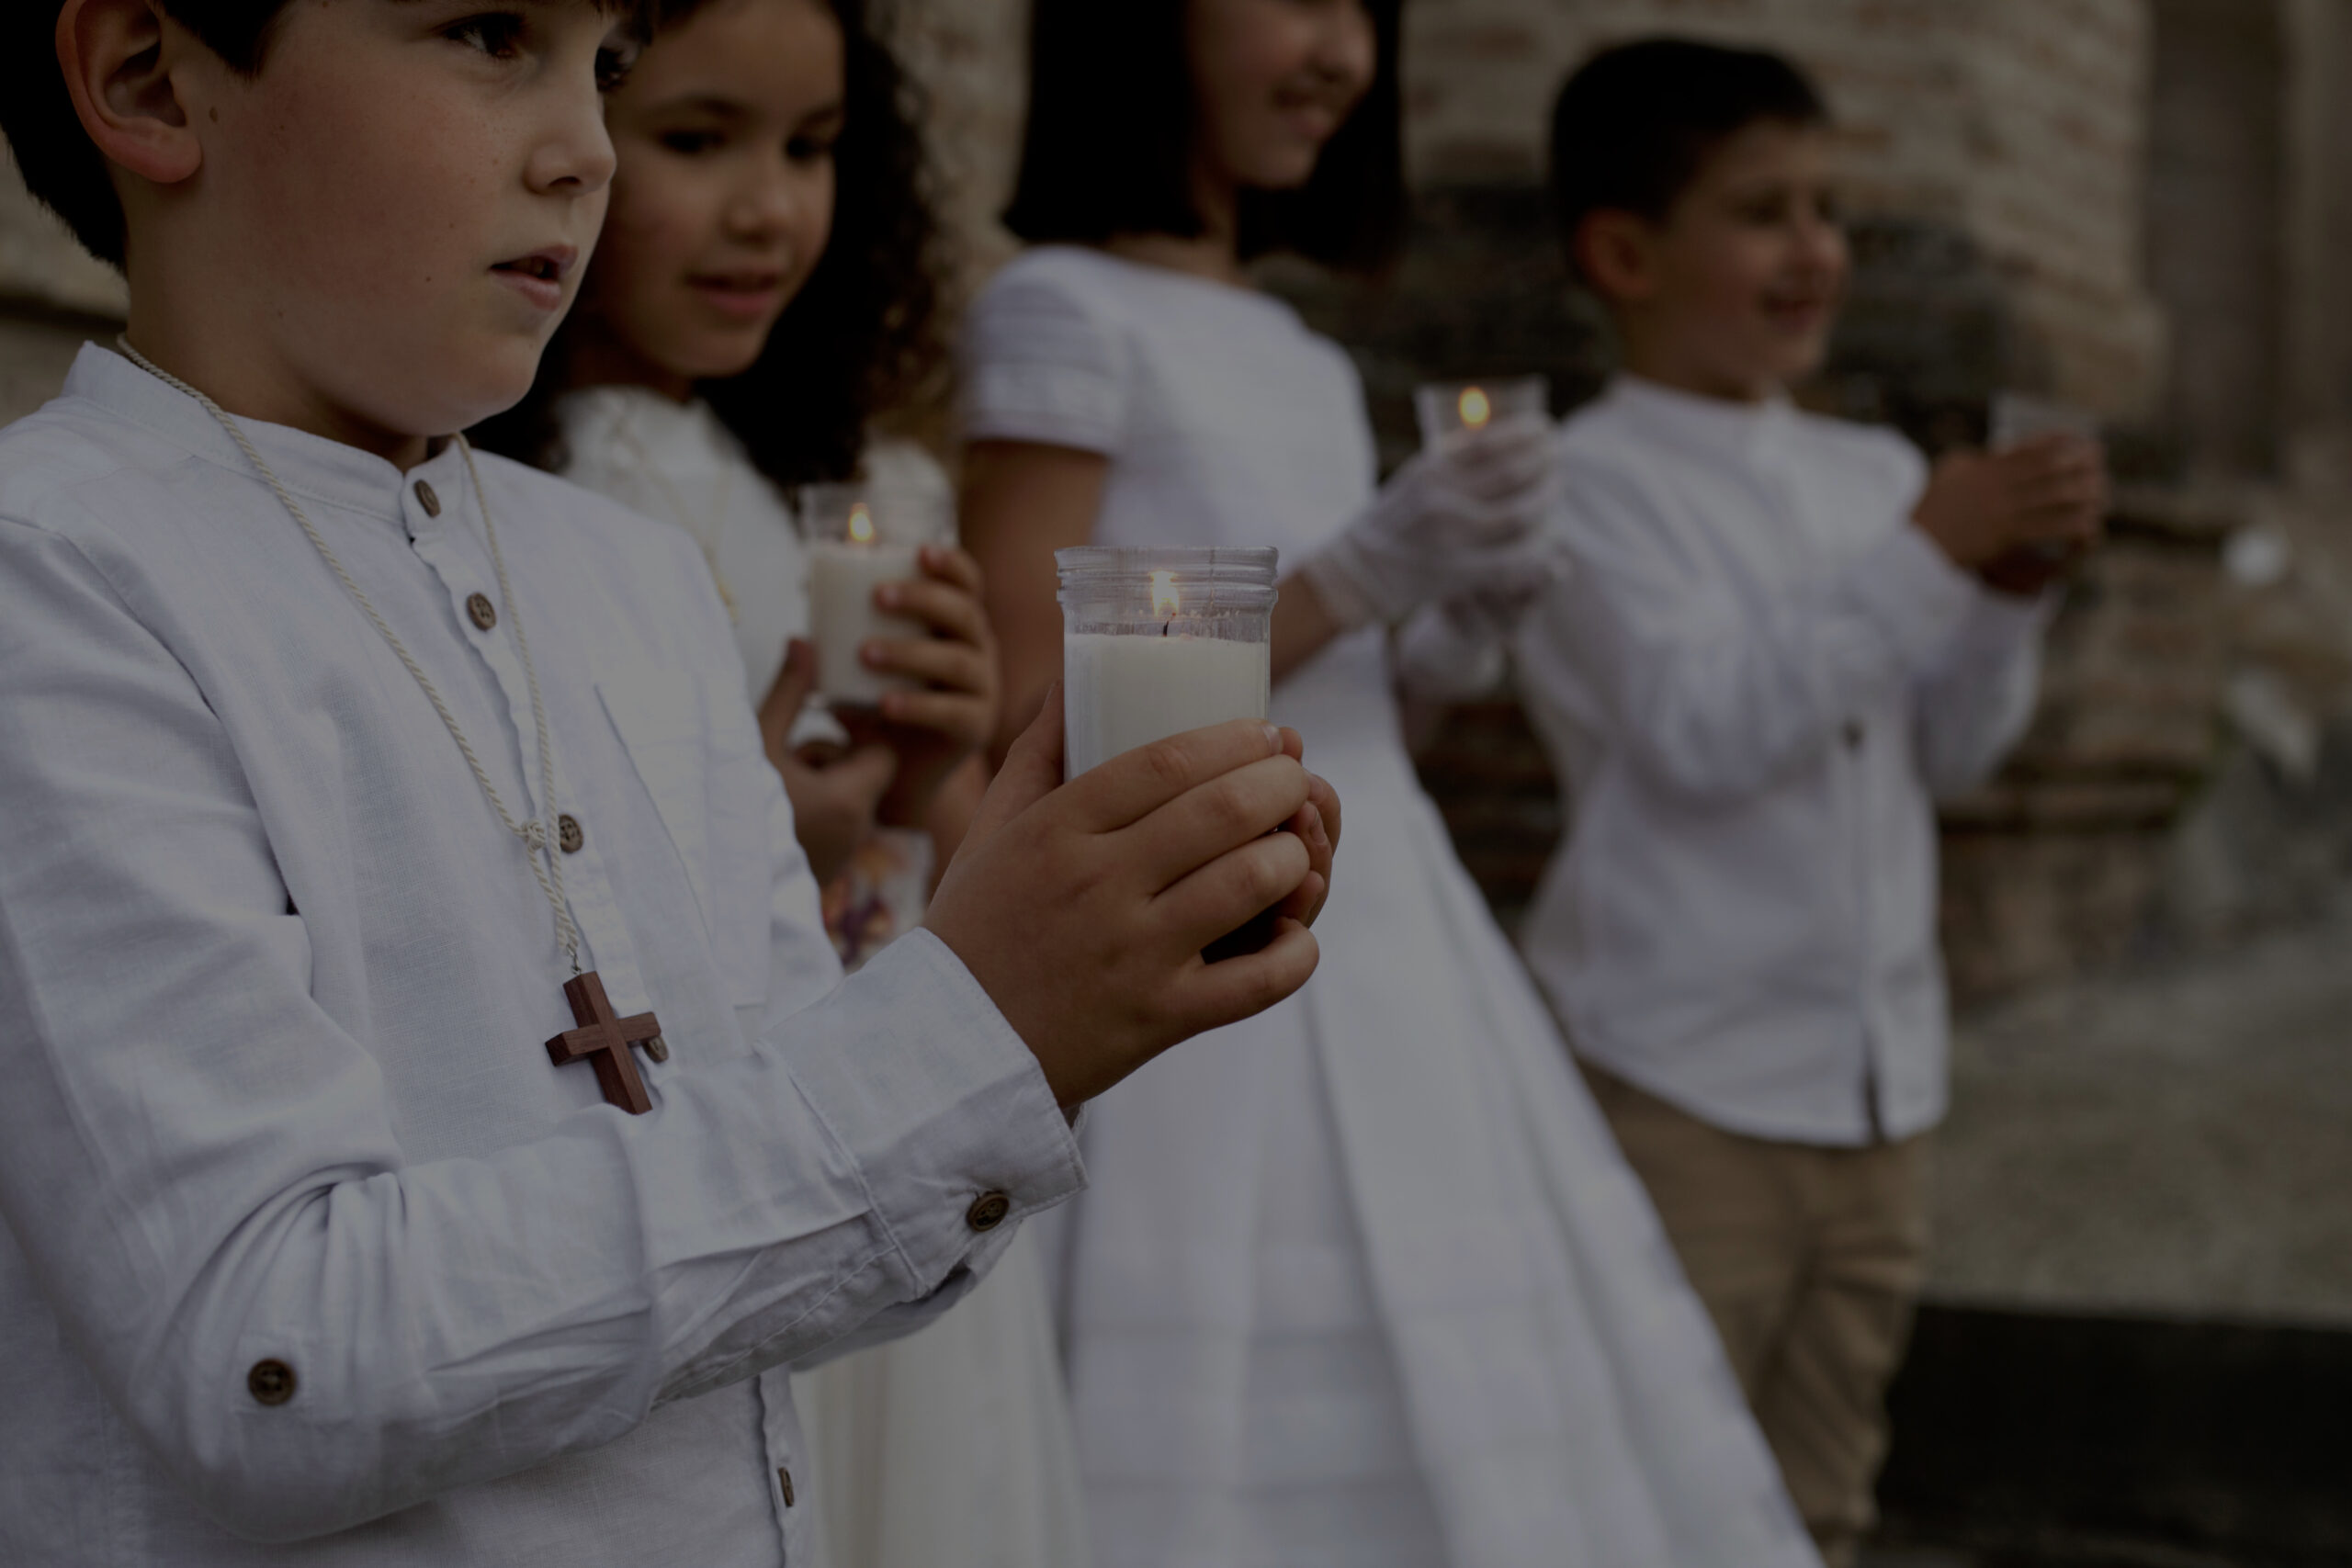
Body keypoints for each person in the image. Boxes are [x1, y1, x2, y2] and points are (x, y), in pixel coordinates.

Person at [0, 3, 1340, 1564]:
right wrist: (971, 1033)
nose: (586, 154)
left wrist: (1041, 1004)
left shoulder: (625, 576)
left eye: (609, 68)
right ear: (151, 81)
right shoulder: (57, 582)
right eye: (491, 34)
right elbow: (270, 1361)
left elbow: (799, 1272)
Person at [959, 4, 1818, 1566]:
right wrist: (1366, 573)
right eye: (1293, 1)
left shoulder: (1298, 348)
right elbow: (1035, 716)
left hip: (1389, 920)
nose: (1341, 54)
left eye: (1363, 11)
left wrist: (1457, 623)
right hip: (1196, 961)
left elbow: (1348, 713)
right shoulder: (1060, 310)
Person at [475, 0, 1091, 1561]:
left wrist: (933, 773)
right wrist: (752, 815)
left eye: (814, 150)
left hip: (893, 1138)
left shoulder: (870, 489)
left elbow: (926, 875)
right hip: (699, 1185)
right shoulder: (512, 498)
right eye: (696, 140)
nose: (769, 208)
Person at [1481, 39, 2108, 1567]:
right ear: (1622, 252)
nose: (1817, 248)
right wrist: (1928, 556)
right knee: (1646, 1491)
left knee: (1821, 1505)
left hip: (1879, 1088)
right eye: (1765, 211)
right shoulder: (1578, 483)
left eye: (1829, 208)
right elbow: (1703, 729)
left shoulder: (1874, 469)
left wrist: (2004, 594)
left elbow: (1947, 754)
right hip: (1681, 1082)